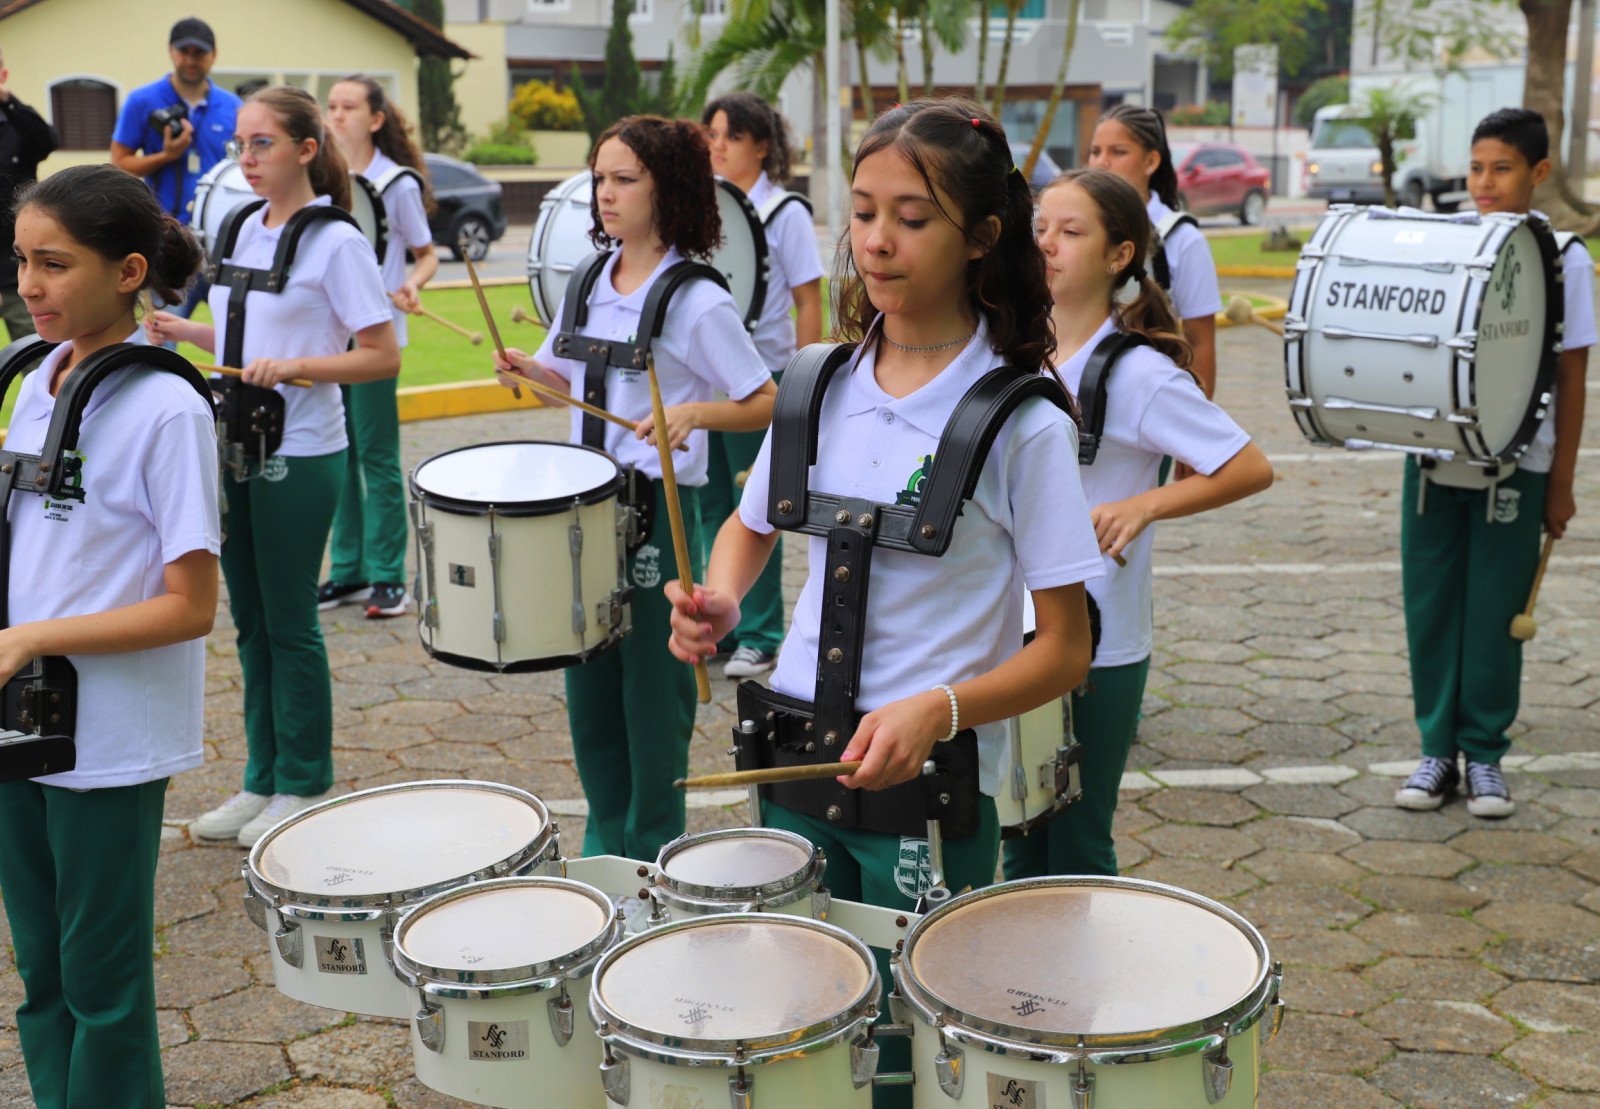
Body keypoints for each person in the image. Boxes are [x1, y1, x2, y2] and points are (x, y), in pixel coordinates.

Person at [666, 99, 1101, 1108]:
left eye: (912, 218)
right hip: (793, 756)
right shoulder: (815, 382)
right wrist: (722, 598)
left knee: (913, 1050)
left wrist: (938, 709)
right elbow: (749, 525)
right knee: (803, 1021)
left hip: (930, 787)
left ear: (980, 236)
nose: (877, 241)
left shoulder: (1020, 421)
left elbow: (1067, 647)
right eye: (863, 213)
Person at [492, 115, 776, 863]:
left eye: (624, 179)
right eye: (599, 179)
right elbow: (562, 385)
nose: (605, 194)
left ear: (668, 188)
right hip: (580, 511)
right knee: (588, 692)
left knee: (652, 698)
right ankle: (605, 847)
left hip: (658, 514)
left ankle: (654, 854)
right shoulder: (588, 279)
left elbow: (765, 399)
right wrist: (530, 373)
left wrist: (694, 413)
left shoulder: (697, 299)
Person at [0, 163, 219, 1109]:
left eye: (55, 264)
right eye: (21, 261)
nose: (29, 285)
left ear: (130, 272)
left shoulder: (168, 407)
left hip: (109, 738)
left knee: (104, 985)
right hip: (19, 716)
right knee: (41, 974)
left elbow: (192, 604)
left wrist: (30, 638)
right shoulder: (37, 378)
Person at [1002, 168, 1273, 880]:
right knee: (1018, 833)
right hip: (1005, 630)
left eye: (1070, 231)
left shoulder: (1139, 373)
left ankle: (1084, 956)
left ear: (1119, 255)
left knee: (1078, 842)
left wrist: (1143, 505)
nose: (1047, 244)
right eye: (1039, 229)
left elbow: (1248, 467)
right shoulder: (1009, 350)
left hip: (1100, 640)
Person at [148, 87, 399, 846]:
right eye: (241, 145)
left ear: (305, 150)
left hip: (303, 451)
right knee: (250, 622)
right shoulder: (238, 227)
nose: (247, 158)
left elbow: (381, 355)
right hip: (235, 444)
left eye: (263, 144)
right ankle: (261, 778)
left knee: (290, 623)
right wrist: (181, 331)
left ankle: (305, 782)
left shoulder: (337, 242)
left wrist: (299, 366)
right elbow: (241, 338)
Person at [1393, 108, 1593, 818]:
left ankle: (1483, 754)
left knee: (1496, 615)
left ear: (1539, 172)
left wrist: (1561, 484)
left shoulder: (1564, 256)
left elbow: (1572, 378)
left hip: (1521, 466)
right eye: (1476, 168)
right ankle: (1435, 751)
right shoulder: (1444, 241)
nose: (1484, 182)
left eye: (1501, 169)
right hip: (1434, 461)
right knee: (1431, 607)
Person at [698, 92, 825, 677]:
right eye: (712, 134)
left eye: (731, 135)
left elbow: (807, 299)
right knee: (710, 503)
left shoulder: (785, 211)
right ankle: (723, 619)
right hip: (710, 373)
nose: (717, 145)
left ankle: (762, 632)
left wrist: (802, 378)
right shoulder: (708, 207)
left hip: (764, 375)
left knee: (757, 506)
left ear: (762, 145)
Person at [319, 74, 440, 620]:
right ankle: (348, 570)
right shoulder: (321, 177)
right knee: (338, 454)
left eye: (349, 107)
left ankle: (389, 576)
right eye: (332, 106)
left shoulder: (397, 183)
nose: (337, 115)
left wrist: (412, 284)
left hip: (374, 337)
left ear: (375, 120)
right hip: (327, 336)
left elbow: (425, 253)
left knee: (376, 455)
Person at [1088, 104, 1220, 405]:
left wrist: (1194, 423)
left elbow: (1200, 342)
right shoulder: (1073, 229)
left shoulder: (1183, 240)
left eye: (1118, 152)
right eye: (1095, 152)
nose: (1101, 163)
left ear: (1151, 161)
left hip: (1150, 401)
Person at [110, 16, 240, 318]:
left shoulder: (233, 105)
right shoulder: (143, 100)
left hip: (223, 239)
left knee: (234, 333)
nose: (191, 60)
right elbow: (120, 165)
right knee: (163, 334)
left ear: (214, 54)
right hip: (168, 239)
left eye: (199, 53)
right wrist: (166, 155)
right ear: (171, 51)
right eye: (184, 52)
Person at [0, 45, 58, 341]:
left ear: (3, 76)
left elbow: (48, 141)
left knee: (37, 356)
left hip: (16, 273)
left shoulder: (19, 125)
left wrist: (8, 101)